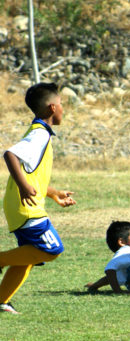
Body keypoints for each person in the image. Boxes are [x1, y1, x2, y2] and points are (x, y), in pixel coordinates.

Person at [0, 83, 76, 315]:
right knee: (51, 250)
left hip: (19, 206)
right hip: (27, 208)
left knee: (28, 256)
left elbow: (32, 173)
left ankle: (2, 301)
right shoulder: (39, 134)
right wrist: (24, 187)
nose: (63, 108)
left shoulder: (40, 132)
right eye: (61, 103)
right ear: (53, 107)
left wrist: (53, 193)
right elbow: (10, 154)